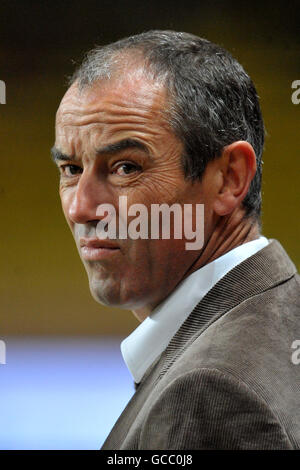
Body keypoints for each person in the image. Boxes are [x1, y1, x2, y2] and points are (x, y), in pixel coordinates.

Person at [52, 30, 300, 449]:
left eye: (126, 167)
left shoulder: (210, 393)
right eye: (72, 169)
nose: (81, 209)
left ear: (229, 178)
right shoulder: (277, 328)